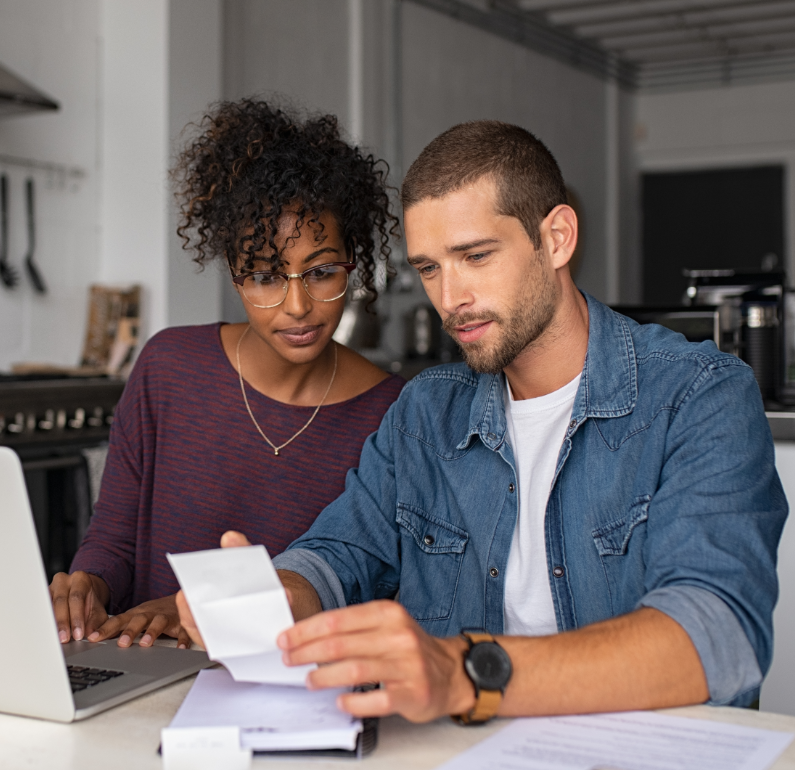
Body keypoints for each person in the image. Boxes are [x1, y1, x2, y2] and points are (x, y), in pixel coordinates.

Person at [178, 120, 787, 723]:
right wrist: (279, 595)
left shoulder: (699, 395)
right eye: (430, 268)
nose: (449, 298)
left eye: (474, 256)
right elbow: (340, 552)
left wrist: (467, 673)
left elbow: (719, 635)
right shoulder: (424, 414)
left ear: (557, 239)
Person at [50, 99, 405, 650]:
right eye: (264, 276)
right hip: (143, 673)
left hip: (289, 694)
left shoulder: (392, 414)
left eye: (322, 272)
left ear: (352, 266)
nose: (296, 305)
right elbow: (114, 541)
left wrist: (193, 611)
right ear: (235, 277)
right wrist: (87, 586)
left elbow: (367, 588)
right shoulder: (168, 368)